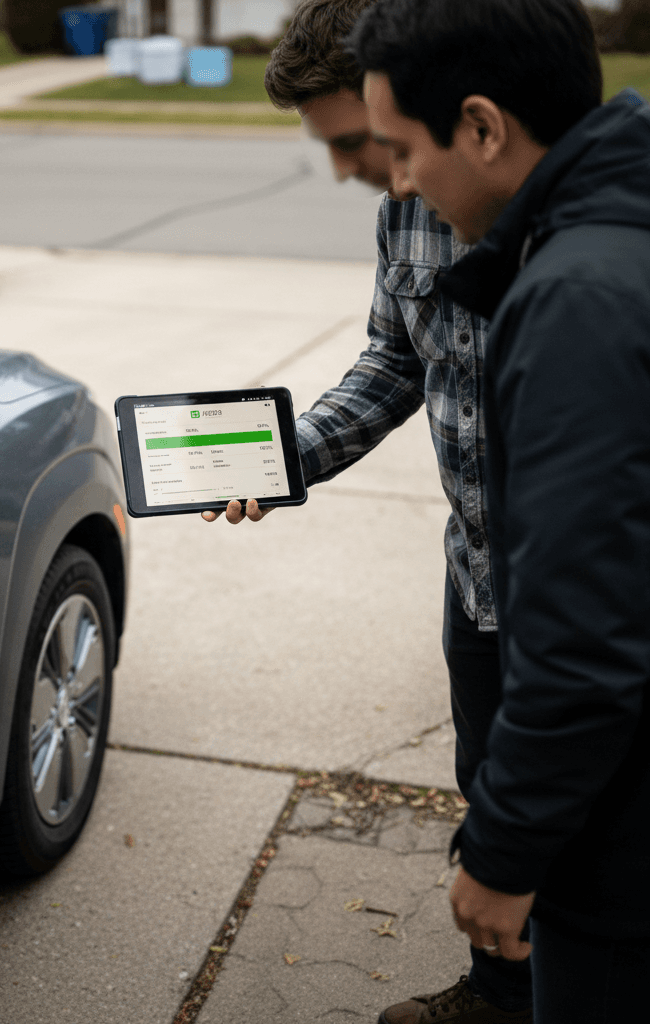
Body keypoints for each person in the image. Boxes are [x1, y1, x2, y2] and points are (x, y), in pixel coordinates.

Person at [205, 2, 531, 1020]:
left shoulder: (561, 213)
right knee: (489, 797)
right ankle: (497, 996)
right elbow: (394, 359)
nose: (355, 169)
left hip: (582, 588)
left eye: (363, 141)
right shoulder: (402, 210)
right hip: (474, 577)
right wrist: (286, 454)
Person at [348, 0, 650, 1018]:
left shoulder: (576, 296)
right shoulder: (614, 225)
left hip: (617, 859)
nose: (396, 183)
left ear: (480, 127)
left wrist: (503, 848)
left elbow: (585, 638)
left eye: (398, 150)